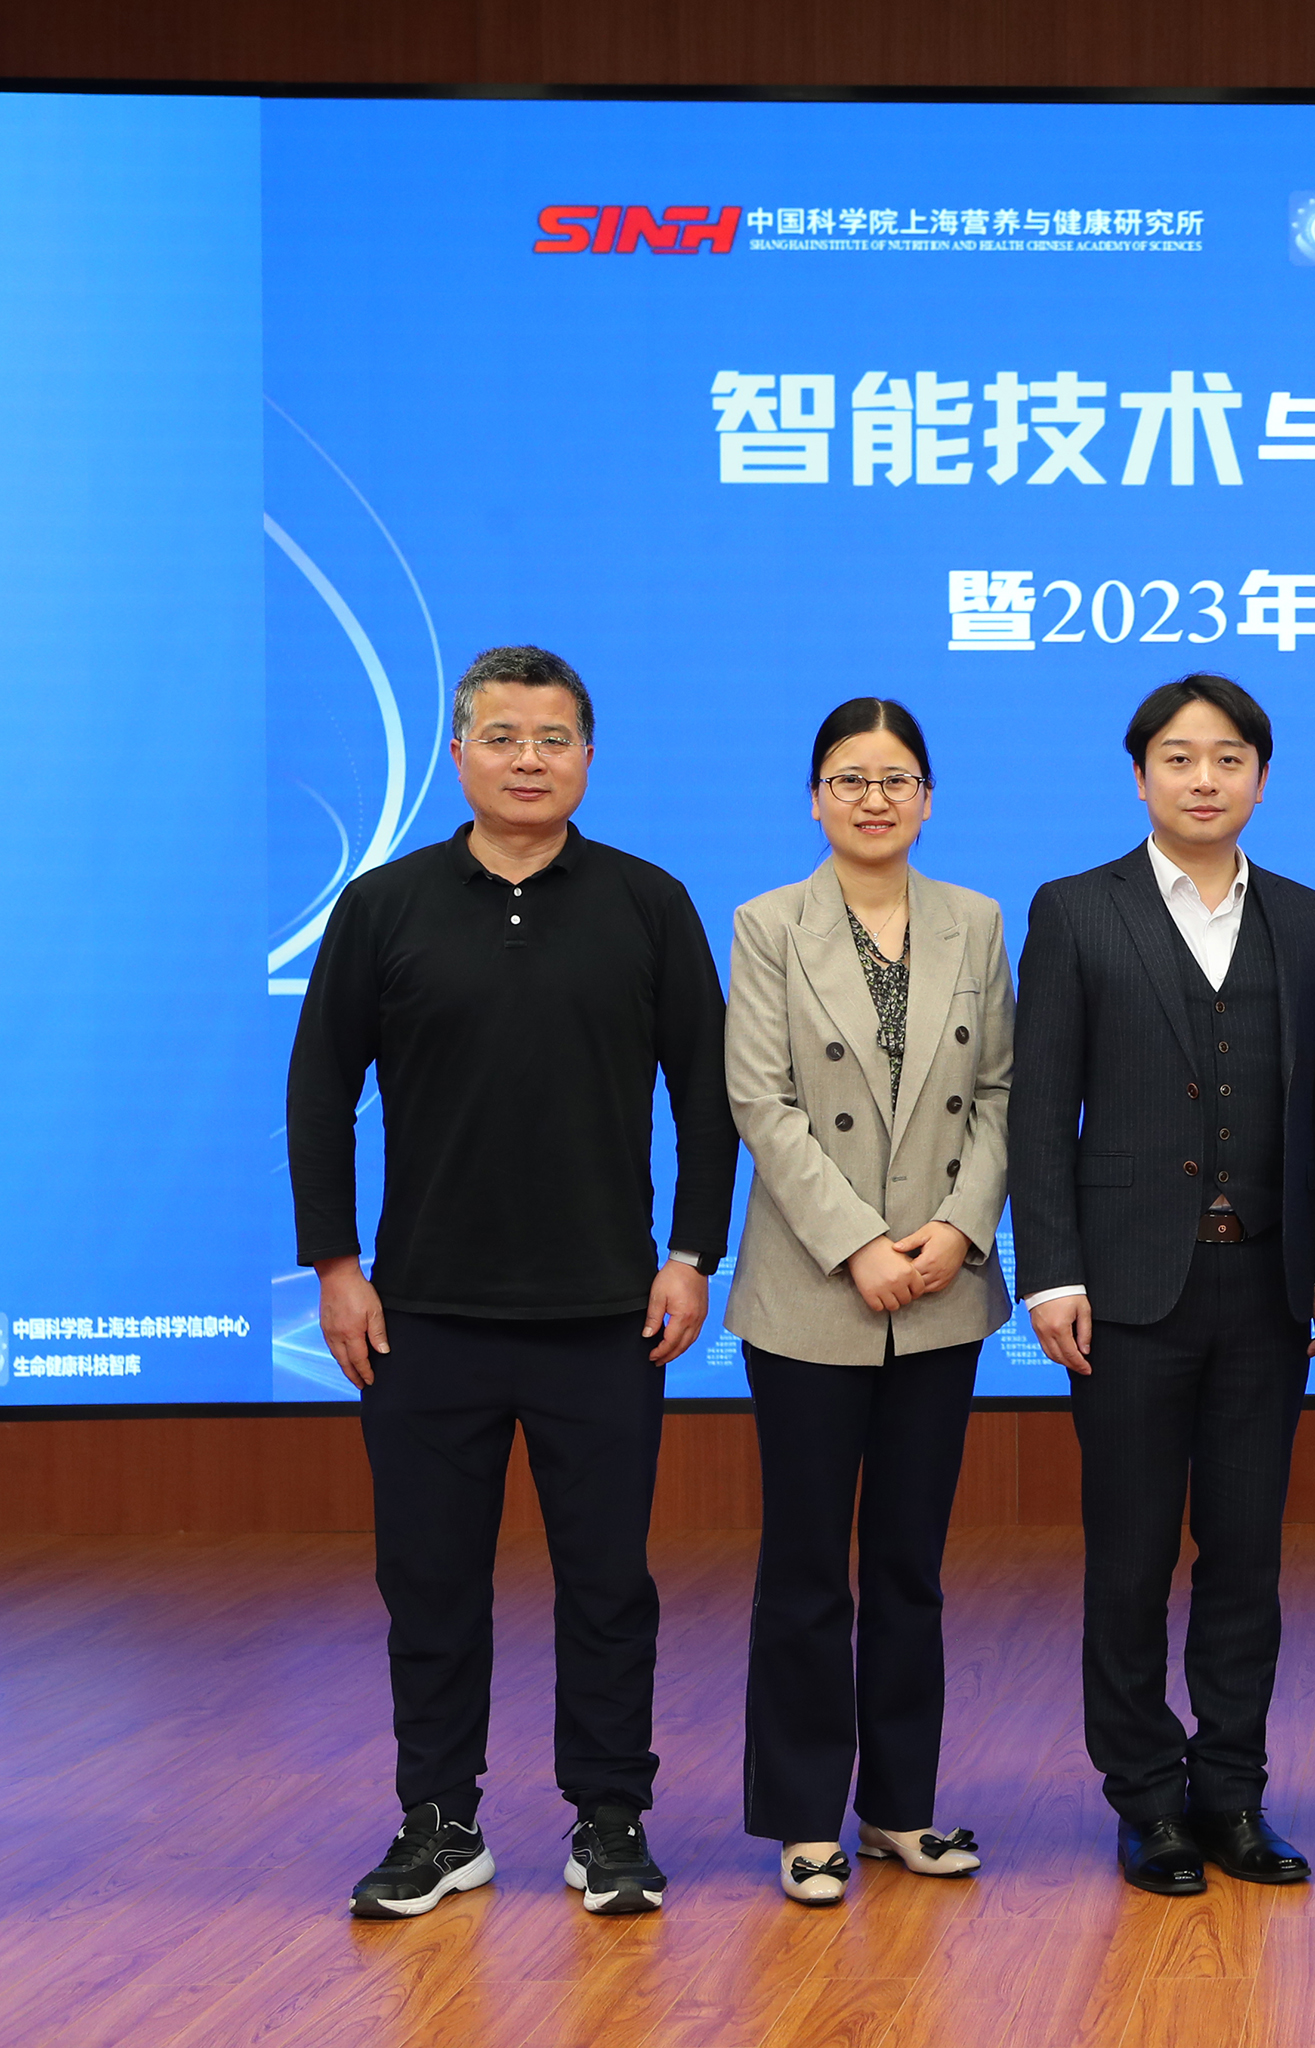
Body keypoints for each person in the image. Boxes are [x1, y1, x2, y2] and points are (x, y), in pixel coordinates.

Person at [289, 645, 731, 1920]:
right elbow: (319, 1089)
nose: (527, 759)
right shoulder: (385, 904)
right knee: (429, 1582)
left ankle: (610, 1817)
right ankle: (439, 1819)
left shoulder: (648, 901)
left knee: (609, 1583)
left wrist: (691, 1253)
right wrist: (337, 1265)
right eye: (501, 736)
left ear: (588, 756)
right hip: (423, 1313)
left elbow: (708, 1094)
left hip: (608, 1311)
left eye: (552, 738)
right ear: (457, 754)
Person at [1009, 674, 1315, 1898]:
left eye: (1228, 757)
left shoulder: (1306, 917)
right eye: (1178, 756)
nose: (1204, 778)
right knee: (1130, 1556)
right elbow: (1041, 1105)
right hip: (1125, 1291)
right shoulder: (1075, 909)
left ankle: (1233, 1793)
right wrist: (1050, 1268)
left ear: (1262, 774)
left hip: (1264, 1286)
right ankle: (1148, 1800)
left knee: (1247, 1554)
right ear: (1140, 773)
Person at [722, 698, 1013, 1905]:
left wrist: (957, 1228)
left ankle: (900, 1806)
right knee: (805, 1566)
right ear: (815, 798)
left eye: (896, 779)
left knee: (909, 1564)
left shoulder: (976, 920)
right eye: (850, 778)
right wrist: (858, 1246)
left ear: (928, 798)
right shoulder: (768, 924)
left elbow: (1000, 1093)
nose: (874, 798)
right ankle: (804, 1816)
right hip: (812, 1288)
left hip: (939, 1289)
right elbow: (762, 1102)